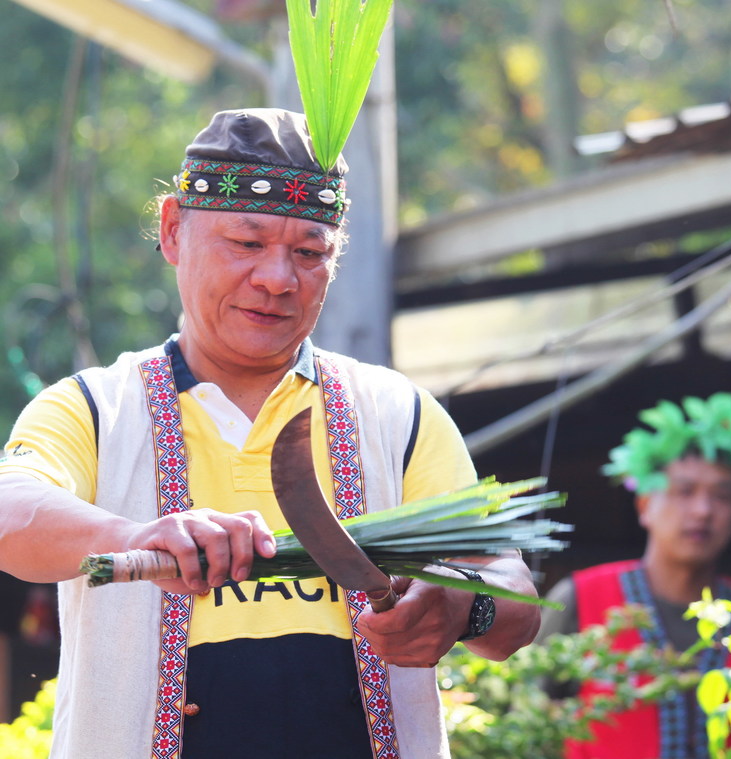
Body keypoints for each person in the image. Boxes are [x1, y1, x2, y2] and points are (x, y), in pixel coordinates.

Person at [0, 108, 540, 759]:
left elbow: (511, 590)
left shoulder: (397, 414)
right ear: (173, 230)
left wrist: (462, 606)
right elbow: (10, 512)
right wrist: (132, 536)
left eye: (309, 252)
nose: (277, 279)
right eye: (247, 243)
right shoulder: (93, 409)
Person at [537, 392, 731, 759]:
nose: (703, 511)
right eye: (684, 491)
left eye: (721, 496)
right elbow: (525, 723)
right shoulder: (582, 597)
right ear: (644, 505)